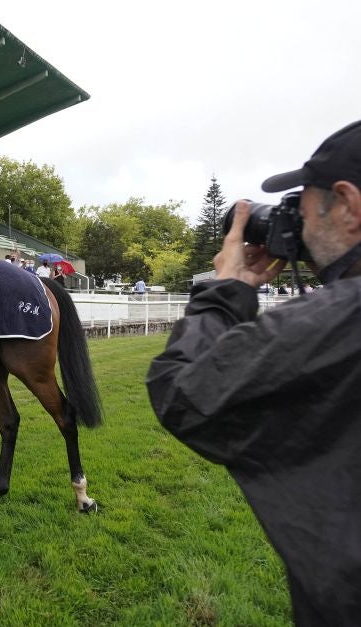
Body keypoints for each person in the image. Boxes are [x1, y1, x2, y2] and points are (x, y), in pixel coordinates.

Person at [146, 120, 361, 626]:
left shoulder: (340, 319)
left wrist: (228, 288)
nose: (300, 231)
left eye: (303, 211)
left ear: (348, 205)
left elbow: (185, 391)